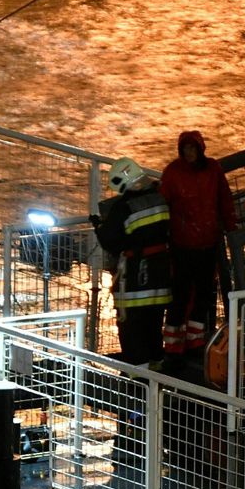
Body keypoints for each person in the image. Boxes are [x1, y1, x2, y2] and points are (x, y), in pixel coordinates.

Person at [159, 130, 236, 359]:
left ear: (200, 149)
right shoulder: (173, 173)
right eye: (186, 149)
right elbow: (164, 205)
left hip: (207, 242)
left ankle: (194, 342)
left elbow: (224, 199)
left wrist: (231, 227)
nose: (189, 153)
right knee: (180, 295)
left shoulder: (212, 169)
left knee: (202, 294)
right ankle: (173, 346)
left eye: (193, 149)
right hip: (182, 244)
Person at [92, 156, 172, 366]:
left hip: (135, 282)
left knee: (132, 335)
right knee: (154, 331)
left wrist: (98, 227)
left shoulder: (123, 207)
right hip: (160, 280)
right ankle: (157, 378)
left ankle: (137, 383)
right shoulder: (159, 199)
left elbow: (110, 241)